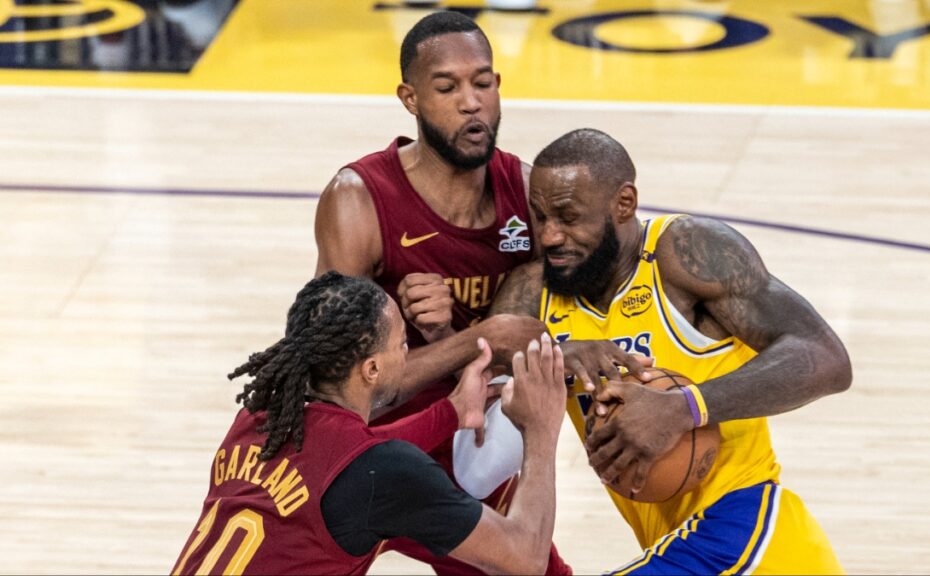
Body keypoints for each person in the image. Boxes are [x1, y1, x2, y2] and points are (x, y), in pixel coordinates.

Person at [488, 129, 853, 575]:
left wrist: (683, 408)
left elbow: (826, 357)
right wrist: (549, 361)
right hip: (677, 547)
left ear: (623, 203)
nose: (548, 236)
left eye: (568, 217)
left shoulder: (685, 252)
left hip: (748, 534)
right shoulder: (532, 293)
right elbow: (479, 413)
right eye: (539, 217)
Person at [313, 11, 571, 575]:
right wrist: (478, 340)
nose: (471, 101)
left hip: (472, 440)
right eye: (447, 86)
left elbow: (570, 319)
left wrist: (451, 335)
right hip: (373, 445)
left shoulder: (526, 193)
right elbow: (335, 385)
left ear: (499, 86)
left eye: (482, 82)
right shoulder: (359, 199)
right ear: (409, 97)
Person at [172, 272, 568, 575]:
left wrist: (452, 411)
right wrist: (542, 430)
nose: (407, 349)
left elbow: (352, 457)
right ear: (372, 368)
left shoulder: (256, 420)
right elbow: (525, 558)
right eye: (401, 343)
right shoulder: (380, 474)